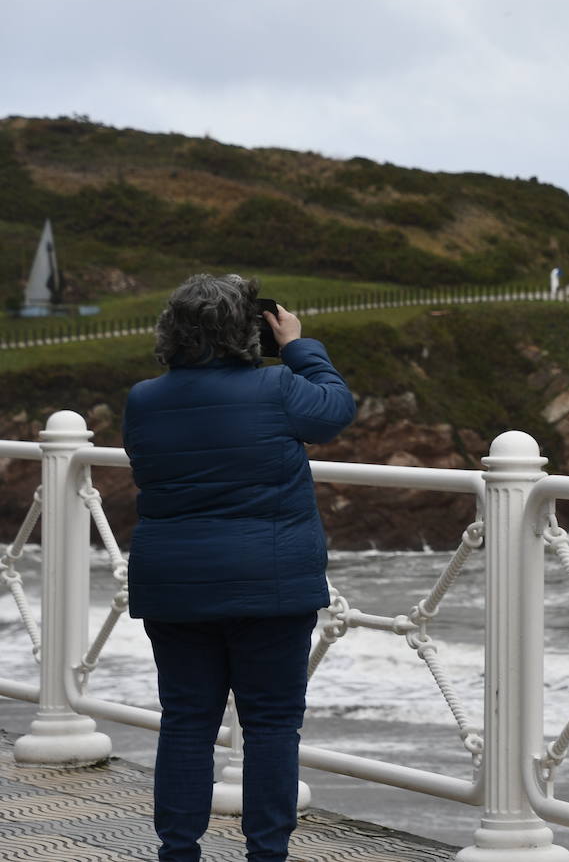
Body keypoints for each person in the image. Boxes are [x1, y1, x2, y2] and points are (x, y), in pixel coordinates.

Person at [123, 273, 355, 862]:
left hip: (174, 586)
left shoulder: (142, 400)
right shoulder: (279, 386)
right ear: (248, 331)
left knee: (186, 722)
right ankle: (266, 854)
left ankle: (178, 852)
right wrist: (300, 345)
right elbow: (335, 411)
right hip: (271, 588)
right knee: (272, 727)